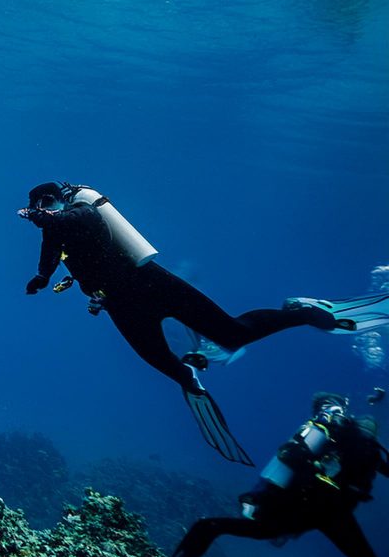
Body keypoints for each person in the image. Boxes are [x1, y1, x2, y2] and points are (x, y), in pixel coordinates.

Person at [20, 181, 389, 463]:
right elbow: (50, 254)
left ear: (62, 200)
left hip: (153, 283)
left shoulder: (84, 211)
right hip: (119, 303)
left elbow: (79, 220)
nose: (42, 211)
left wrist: (49, 215)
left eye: (47, 203)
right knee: (164, 364)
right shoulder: (53, 229)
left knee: (231, 333)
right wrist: (41, 277)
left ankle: (303, 312)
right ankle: (190, 380)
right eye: (38, 206)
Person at [159, 393, 389, 557]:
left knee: (210, 527)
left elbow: (286, 459)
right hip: (332, 513)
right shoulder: (356, 443)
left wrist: (256, 497)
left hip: (293, 511)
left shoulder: (318, 431)